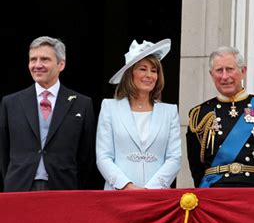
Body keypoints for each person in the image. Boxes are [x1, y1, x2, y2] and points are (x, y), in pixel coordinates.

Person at [0, 36, 96, 192]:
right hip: (19, 188)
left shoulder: (82, 104)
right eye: (33, 59)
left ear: (61, 64)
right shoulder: (10, 103)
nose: (37, 65)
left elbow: (86, 156)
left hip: (64, 189)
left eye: (44, 59)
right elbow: (3, 153)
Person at [186, 46, 254, 187]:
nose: (225, 76)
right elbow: (196, 166)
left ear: (243, 71)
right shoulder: (200, 113)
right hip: (216, 192)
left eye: (230, 69)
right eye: (219, 70)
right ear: (211, 74)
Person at [96, 39, 181, 190]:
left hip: (157, 197)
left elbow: (174, 158)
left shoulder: (170, 112)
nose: (149, 75)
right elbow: (104, 156)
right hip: (118, 194)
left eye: (154, 70)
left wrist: (150, 190)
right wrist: (127, 187)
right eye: (143, 69)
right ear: (130, 73)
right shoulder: (109, 107)